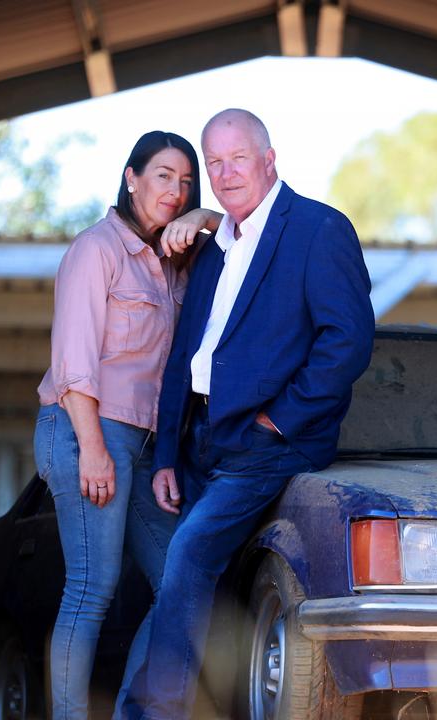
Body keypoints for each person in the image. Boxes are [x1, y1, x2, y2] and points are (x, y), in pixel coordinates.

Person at [120, 109, 375, 719]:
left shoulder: (318, 228)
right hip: (202, 439)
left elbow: (348, 339)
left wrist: (282, 420)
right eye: (215, 163)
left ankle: (150, 714)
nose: (226, 172)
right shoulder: (213, 245)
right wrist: (168, 455)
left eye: (238, 158)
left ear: (269, 158)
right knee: (176, 580)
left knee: (187, 559)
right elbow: (188, 351)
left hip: (271, 444)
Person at [32, 130, 221, 720]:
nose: (176, 189)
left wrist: (203, 215)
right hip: (84, 428)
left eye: (186, 181)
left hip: (141, 443)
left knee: (180, 584)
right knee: (91, 589)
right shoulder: (98, 249)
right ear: (131, 176)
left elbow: (232, 225)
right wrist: (92, 450)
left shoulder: (172, 257)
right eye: (163, 175)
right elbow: (73, 363)